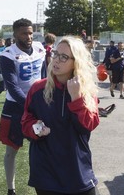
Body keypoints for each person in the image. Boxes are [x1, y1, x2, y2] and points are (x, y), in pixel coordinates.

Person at [22, 36, 100, 195]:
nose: (56, 60)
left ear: (76, 62)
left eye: (64, 57)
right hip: (46, 174)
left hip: (78, 171)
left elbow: (88, 126)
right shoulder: (38, 89)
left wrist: (76, 98)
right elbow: (25, 122)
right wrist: (36, 129)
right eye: (56, 54)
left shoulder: (86, 91)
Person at [0, 18, 45, 195]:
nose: (29, 36)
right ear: (15, 34)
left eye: (31, 33)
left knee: (42, 146)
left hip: (37, 106)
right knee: (11, 150)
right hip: (16, 108)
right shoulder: (8, 55)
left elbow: (45, 75)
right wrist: (32, 105)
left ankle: (45, 185)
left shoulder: (40, 49)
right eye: (25, 33)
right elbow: (12, 86)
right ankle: (11, 189)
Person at [0, 38, 12, 106]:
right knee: (2, 87)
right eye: (10, 42)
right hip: (4, 71)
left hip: (12, 71)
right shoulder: (2, 50)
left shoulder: (15, 49)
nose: (11, 43)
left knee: (12, 87)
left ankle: (9, 101)